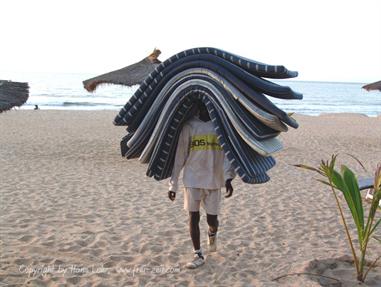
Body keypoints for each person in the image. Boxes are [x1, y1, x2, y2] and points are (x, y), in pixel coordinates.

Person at [168, 100, 235, 269]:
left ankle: (212, 233)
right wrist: (173, 184)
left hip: (214, 180)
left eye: (209, 105)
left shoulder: (220, 126)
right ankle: (197, 253)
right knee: (193, 217)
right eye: (202, 105)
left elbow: (228, 154)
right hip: (192, 179)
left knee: (212, 220)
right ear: (197, 106)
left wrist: (228, 178)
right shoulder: (189, 126)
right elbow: (179, 156)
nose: (205, 108)